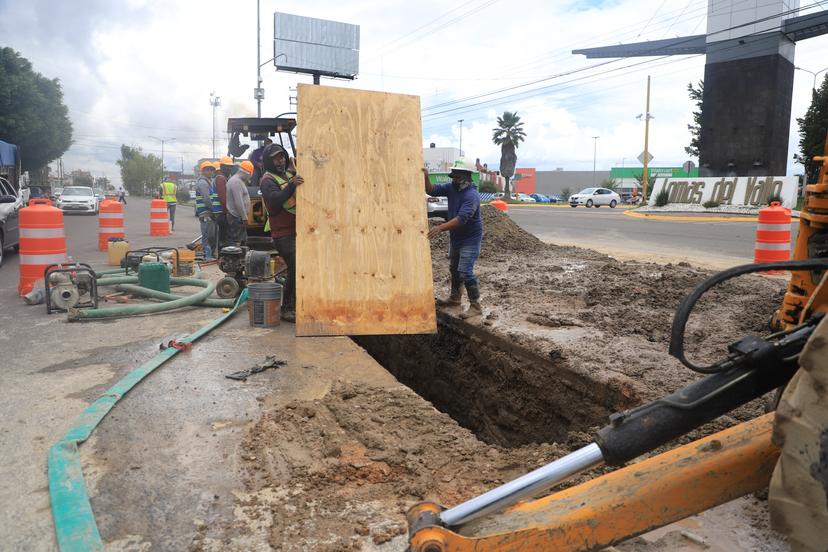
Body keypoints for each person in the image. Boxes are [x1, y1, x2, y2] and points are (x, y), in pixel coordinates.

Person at [424, 158, 484, 319]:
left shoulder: (471, 195)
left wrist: (440, 228)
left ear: (466, 177)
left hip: (470, 239)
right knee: (454, 269)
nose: (454, 180)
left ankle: (476, 306)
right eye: (454, 177)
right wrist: (426, 176)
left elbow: (462, 218)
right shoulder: (452, 188)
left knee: (465, 271)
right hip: (456, 238)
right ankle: (455, 299)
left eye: (457, 177)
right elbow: (432, 190)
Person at [260, 143, 304, 323]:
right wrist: (292, 185)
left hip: (294, 230)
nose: (281, 160)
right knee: (295, 269)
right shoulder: (267, 180)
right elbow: (275, 200)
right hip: (282, 234)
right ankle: (287, 309)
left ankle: (296, 304)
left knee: (298, 269)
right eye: (276, 158)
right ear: (269, 161)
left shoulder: (286, 174)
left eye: (282, 157)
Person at [195, 161, 221, 260]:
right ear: (203, 171)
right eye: (207, 169)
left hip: (209, 213)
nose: (210, 171)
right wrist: (214, 209)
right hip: (206, 213)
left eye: (211, 169)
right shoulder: (203, 182)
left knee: (212, 235)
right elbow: (206, 199)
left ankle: (211, 255)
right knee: (208, 236)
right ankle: (208, 256)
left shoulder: (209, 181)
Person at [225, 160, 253, 246]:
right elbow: (239, 201)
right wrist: (244, 217)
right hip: (236, 217)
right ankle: (233, 259)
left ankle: (240, 258)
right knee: (236, 242)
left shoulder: (237, 181)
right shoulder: (236, 182)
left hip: (237, 217)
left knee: (242, 240)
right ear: (247, 173)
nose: (249, 178)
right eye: (250, 175)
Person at [215, 156, 234, 248]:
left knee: (224, 237)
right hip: (222, 213)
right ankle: (222, 256)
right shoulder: (221, 179)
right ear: (222, 167)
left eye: (231, 166)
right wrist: (227, 212)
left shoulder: (224, 178)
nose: (230, 168)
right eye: (228, 166)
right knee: (224, 238)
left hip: (223, 213)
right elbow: (222, 197)